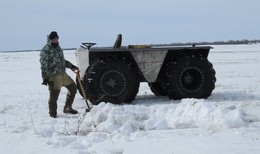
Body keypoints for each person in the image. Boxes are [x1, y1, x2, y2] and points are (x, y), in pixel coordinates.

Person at [40, 31, 78, 118]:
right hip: (54, 77)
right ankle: (53, 115)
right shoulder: (46, 50)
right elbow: (44, 66)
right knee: (53, 98)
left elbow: (62, 61)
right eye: (53, 39)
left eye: (57, 38)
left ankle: (67, 108)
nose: (55, 40)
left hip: (63, 74)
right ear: (50, 39)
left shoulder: (58, 48)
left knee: (73, 88)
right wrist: (45, 77)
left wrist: (71, 66)